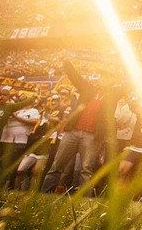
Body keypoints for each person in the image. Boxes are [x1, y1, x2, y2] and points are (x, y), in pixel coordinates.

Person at [41, 62, 122, 196]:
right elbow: (75, 76)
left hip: (92, 136)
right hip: (72, 132)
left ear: (113, 80)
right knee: (57, 165)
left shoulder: (115, 94)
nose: (104, 79)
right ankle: (44, 195)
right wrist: (66, 62)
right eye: (102, 76)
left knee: (86, 169)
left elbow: (130, 85)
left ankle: (84, 200)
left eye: (108, 77)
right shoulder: (87, 87)